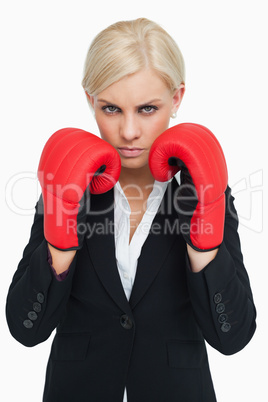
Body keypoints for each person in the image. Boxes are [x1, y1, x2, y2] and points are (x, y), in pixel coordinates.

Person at [6, 17, 256, 402]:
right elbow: (26, 331)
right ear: (90, 101)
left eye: (146, 108)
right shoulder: (67, 186)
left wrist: (203, 244)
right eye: (110, 108)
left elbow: (233, 338)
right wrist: (60, 239)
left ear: (176, 99)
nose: (128, 131)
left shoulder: (205, 189)